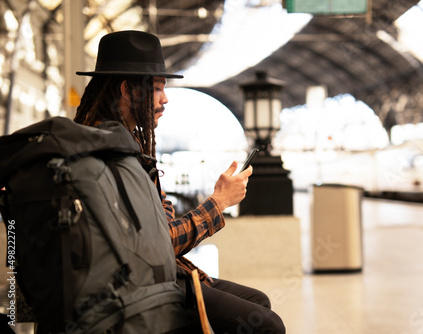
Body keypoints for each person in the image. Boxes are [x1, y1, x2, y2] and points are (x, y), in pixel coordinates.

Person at [74, 30, 286, 334]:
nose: (165, 98)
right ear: (127, 90)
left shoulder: (125, 146)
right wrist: (219, 203)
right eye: (157, 88)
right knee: (267, 325)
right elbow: (159, 246)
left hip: (148, 278)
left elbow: (159, 223)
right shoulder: (109, 157)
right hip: (136, 291)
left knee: (258, 302)